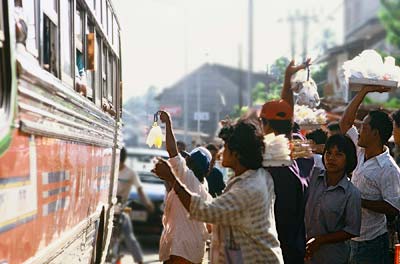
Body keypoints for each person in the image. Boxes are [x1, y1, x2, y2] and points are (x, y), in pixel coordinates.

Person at [152, 120, 283, 263]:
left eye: (225, 147)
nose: (221, 153)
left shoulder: (248, 188)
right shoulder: (256, 177)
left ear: (237, 154)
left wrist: (172, 179)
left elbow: (205, 211)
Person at [259, 60, 313, 264]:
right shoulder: (302, 160)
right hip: (294, 250)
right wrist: (287, 79)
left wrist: (287, 78)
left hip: (272, 252)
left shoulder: (266, 163)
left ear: (265, 125)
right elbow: (286, 121)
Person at [339, 86, 400, 264]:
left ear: (375, 133)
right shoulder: (359, 150)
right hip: (351, 236)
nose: (359, 130)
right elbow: (345, 124)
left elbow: (394, 206)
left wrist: (359, 200)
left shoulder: (389, 169)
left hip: (371, 242)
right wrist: (364, 91)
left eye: (364, 127)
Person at [157, 111, 212, 264]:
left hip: (182, 249)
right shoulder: (203, 185)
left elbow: (172, 150)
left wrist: (168, 123)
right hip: (194, 249)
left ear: (190, 161)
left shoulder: (186, 175)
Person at [305, 134, 361, 264]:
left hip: (331, 257)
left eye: (338, 154)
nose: (331, 158)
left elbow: (351, 230)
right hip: (304, 253)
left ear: (348, 159)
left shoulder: (351, 193)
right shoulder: (313, 176)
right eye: (328, 153)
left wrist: (320, 240)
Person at [117, 147, 154, 264]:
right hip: (109, 208)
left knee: (128, 236)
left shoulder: (130, 173)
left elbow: (140, 189)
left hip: (121, 209)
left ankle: (139, 260)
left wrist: (148, 204)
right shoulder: (110, 170)